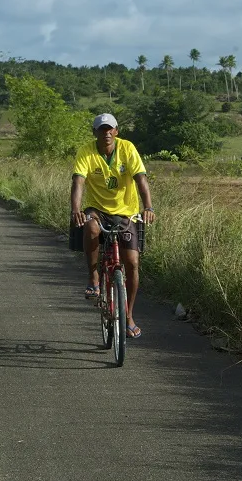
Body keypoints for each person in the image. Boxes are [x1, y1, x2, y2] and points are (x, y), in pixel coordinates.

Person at [70, 113, 155, 339]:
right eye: (101, 129)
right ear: (95, 132)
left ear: (116, 131)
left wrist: (148, 207)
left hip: (126, 213)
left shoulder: (127, 149)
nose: (106, 133)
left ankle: (128, 316)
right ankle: (93, 278)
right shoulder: (86, 151)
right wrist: (76, 210)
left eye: (110, 129)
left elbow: (141, 180)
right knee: (90, 227)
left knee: (132, 263)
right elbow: (78, 181)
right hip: (97, 209)